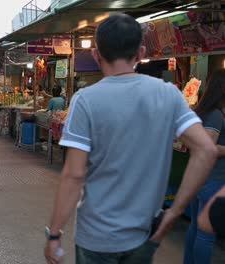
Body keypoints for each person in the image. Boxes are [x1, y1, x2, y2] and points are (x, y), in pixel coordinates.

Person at [44, 14, 217, 264]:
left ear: (96, 54)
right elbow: (207, 150)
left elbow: (74, 174)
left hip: (95, 237)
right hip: (145, 235)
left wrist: (54, 234)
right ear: (141, 52)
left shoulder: (86, 100)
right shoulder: (168, 94)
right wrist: (175, 211)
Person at [184, 69, 225, 264]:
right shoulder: (216, 114)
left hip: (200, 178)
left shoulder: (203, 110)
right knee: (206, 235)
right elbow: (208, 148)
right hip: (212, 180)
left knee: (196, 228)